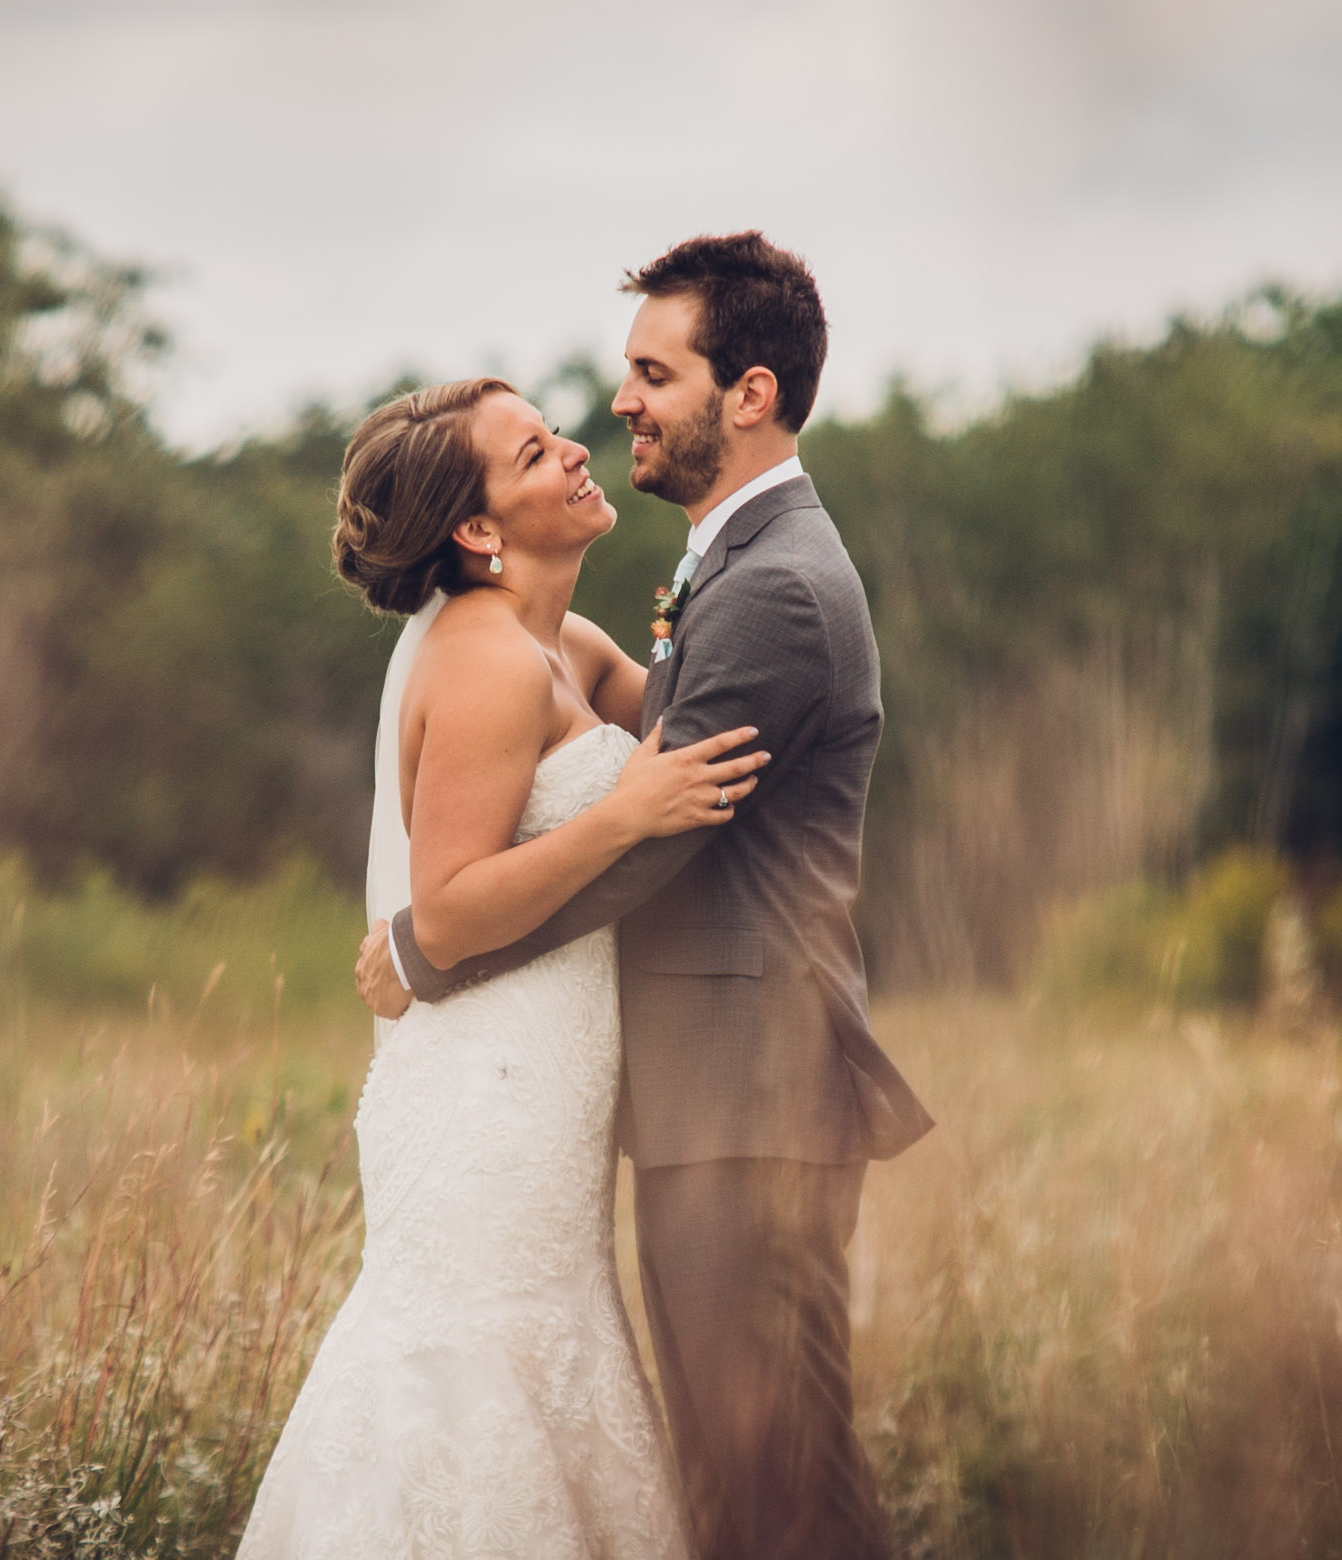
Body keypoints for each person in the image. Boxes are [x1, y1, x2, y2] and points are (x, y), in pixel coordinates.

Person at [359, 232, 935, 1560]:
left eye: (650, 373)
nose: (618, 404)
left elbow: (644, 844)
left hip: (748, 1098)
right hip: (710, 1103)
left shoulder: (773, 589)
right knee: (752, 1488)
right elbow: (626, 752)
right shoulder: (725, 572)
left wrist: (429, 944)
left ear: (747, 394)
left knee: (778, 1495)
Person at [235, 373, 766, 1559]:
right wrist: (623, 820)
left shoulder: (560, 639)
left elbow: (685, 726)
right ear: (476, 531)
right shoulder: (480, 660)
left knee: (543, 1342)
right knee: (479, 1359)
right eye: (533, 454)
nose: (575, 453)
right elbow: (452, 906)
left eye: (553, 434)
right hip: (487, 1092)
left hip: (548, 1073)